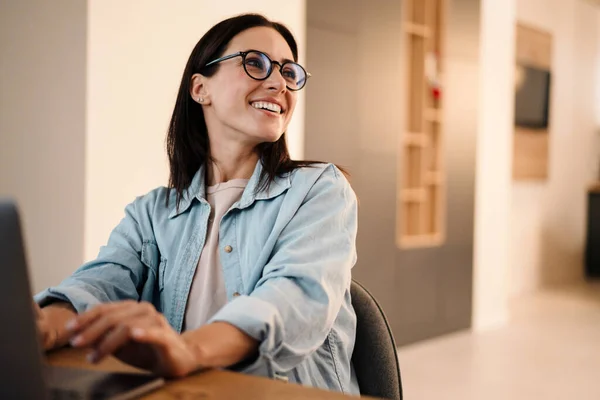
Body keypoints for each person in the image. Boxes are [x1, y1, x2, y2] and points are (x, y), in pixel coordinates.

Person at [34, 13, 359, 395]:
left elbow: (293, 301)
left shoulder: (320, 190)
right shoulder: (152, 213)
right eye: (255, 63)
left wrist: (187, 350)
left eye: (289, 73)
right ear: (200, 88)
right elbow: (102, 282)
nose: (278, 83)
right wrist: (43, 327)